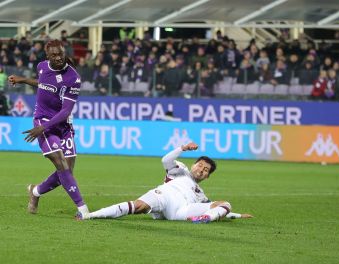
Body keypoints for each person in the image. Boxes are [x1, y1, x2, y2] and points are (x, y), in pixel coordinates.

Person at [8, 39, 90, 218]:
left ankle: (35, 191)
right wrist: (22, 80)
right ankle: (83, 210)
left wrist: (42, 128)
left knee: (67, 170)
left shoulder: (73, 78)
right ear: (47, 56)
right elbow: (44, 84)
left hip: (62, 124)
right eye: (54, 55)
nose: (59, 57)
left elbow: (65, 111)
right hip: (42, 120)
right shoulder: (42, 66)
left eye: (61, 53)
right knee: (61, 163)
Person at [86, 142, 253, 223]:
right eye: (200, 165)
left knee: (226, 204)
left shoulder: (201, 194)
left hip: (182, 211)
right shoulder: (179, 169)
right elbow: (166, 159)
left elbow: (218, 210)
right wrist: (183, 148)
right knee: (138, 206)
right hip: (165, 197)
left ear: (207, 177)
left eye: (206, 170)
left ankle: (203, 220)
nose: (201, 170)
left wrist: (237, 215)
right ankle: (91, 215)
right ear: (194, 164)